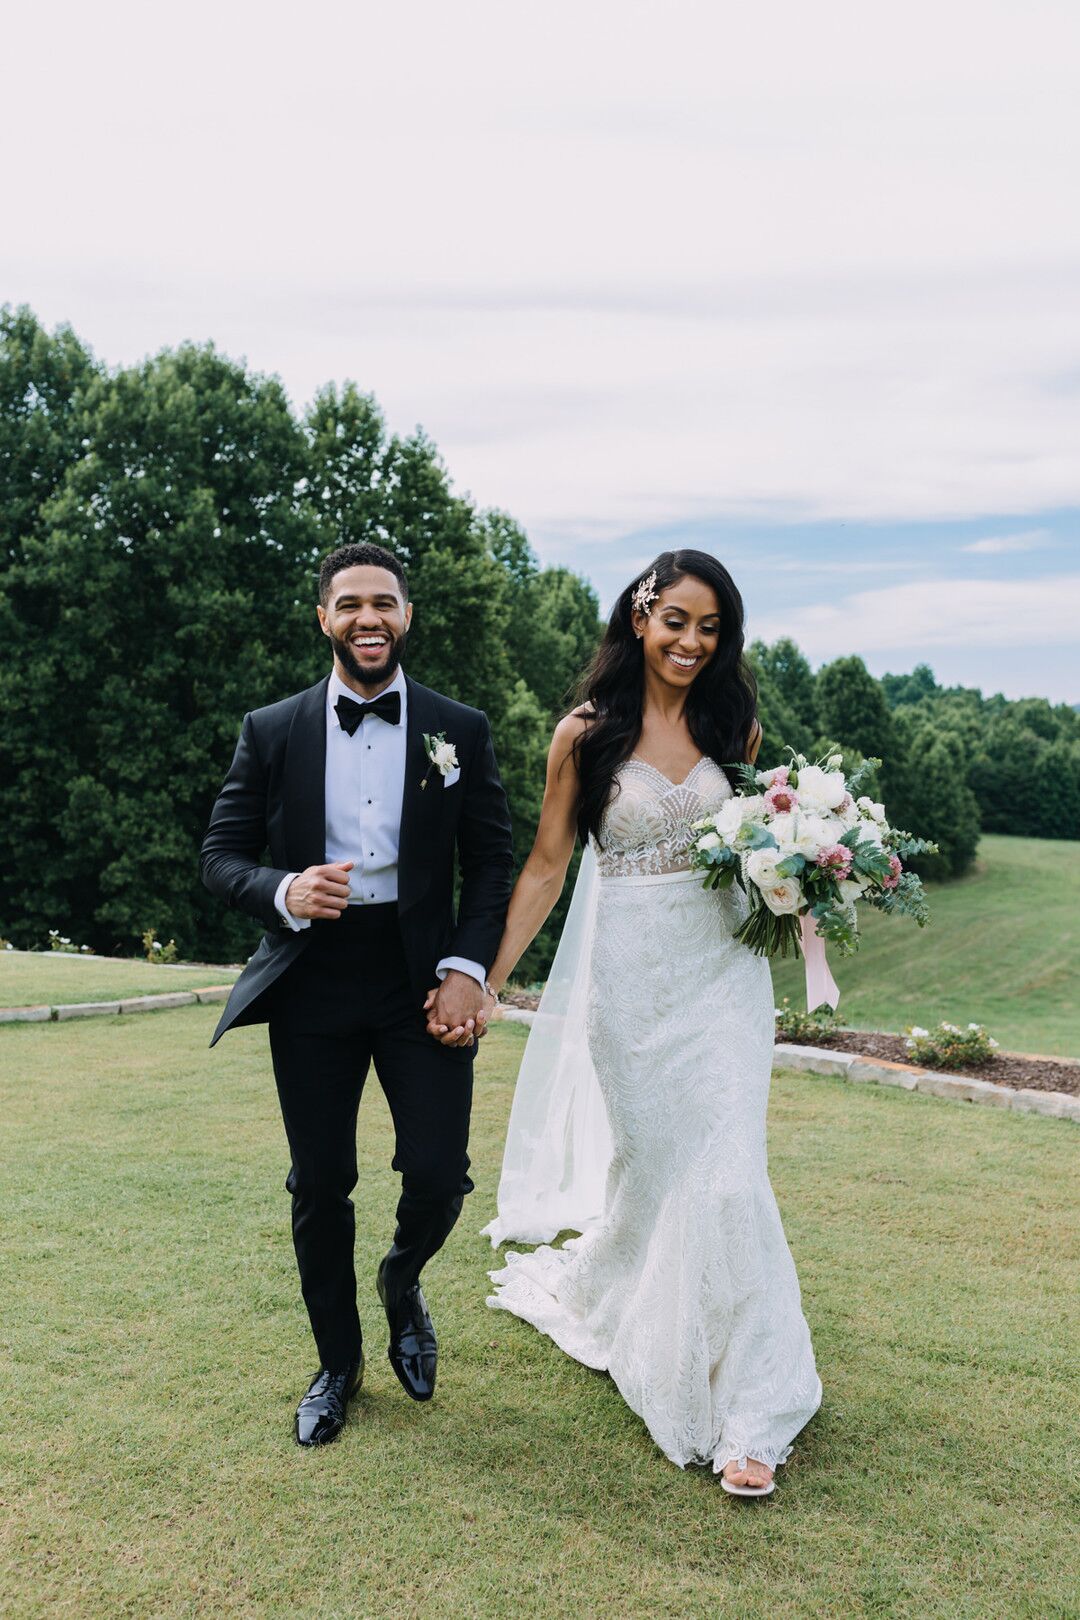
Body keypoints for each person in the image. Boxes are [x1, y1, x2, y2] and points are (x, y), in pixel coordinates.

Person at [473, 549, 821, 1498]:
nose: (691, 642)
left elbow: (769, 840)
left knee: (729, 1175)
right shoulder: (584, 735)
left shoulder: (732, 726)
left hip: (724, 982)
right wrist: (488, 981)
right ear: (640, 617)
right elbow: (547, 867)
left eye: (710, 628)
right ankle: (629, 1292)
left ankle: (755, 1410)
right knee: (667, 1176)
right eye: (676, 620)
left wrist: (818, 868)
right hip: (630, 990)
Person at [201, 542, 513, 1446]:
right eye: (350, 604)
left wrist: (467, 969)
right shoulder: (273, 728)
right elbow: (219, 858)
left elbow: (491, 861)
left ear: (406, 616)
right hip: (313, 979)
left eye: (384, 603)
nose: (367, 619)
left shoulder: (462, 726)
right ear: (324, 619)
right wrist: (283, 891)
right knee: (322, 1181)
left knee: (439, 1176)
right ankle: (338, 1363)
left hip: (421, 978)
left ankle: (402, 1278)